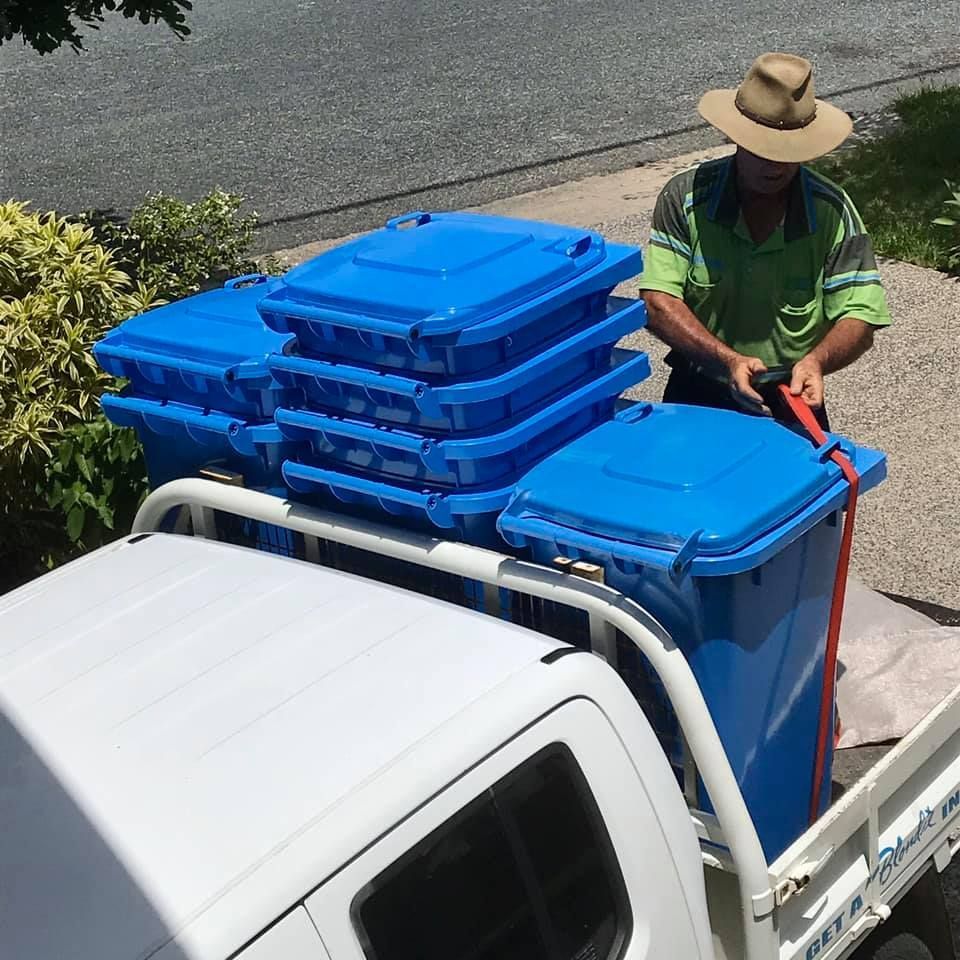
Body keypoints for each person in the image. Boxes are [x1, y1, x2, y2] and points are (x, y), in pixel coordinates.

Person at [639, 53, 892, 429]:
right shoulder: (686, 197)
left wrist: (816, 361)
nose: (775, 164)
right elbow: (658, 303)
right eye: (763, 149)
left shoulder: (832, 210)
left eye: (789, 152)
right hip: (700, 384)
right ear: (736, 138)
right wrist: (727, 362)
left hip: (791, 396)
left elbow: (861, 315)